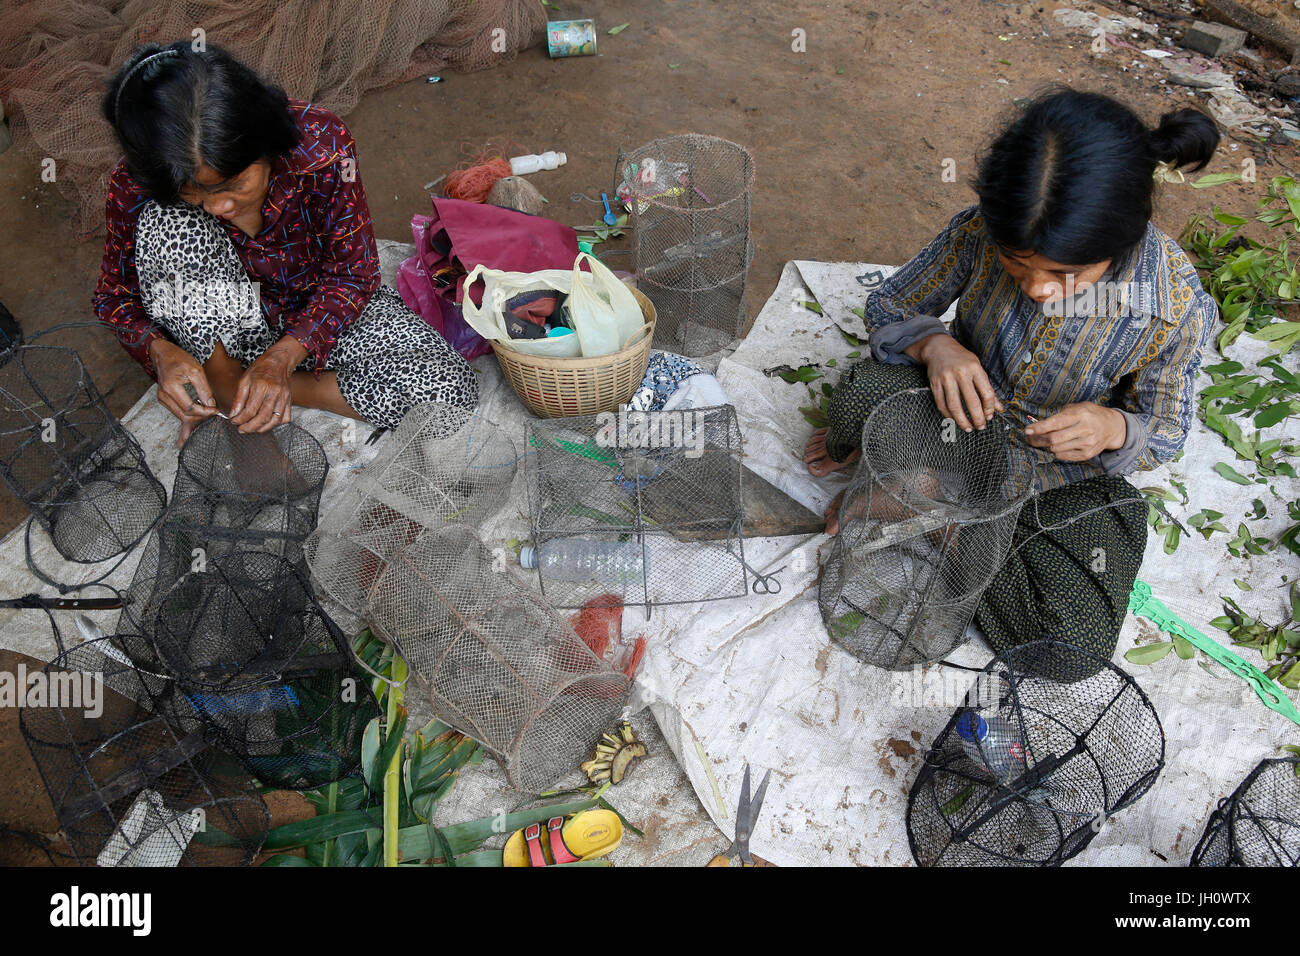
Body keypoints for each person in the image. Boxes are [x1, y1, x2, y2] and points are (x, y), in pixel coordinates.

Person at [805, 89, 1220, 666]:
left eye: (1066, 273)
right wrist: (937, 346)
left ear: (1120, 242)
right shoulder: (979, 230)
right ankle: (938, 498)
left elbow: (1168, 430)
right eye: (1015, 262)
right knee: (863, 397)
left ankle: (945, 518)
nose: (1037, 288)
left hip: (1050, 474)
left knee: (1068, 648)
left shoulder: (1172, 307)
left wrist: (1112, 427)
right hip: (954, 416)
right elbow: (892, 304)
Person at [93, 42, 479, 445]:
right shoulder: (135, 184)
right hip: (223, 331)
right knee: (167, 224)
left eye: (235, 184)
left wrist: (279, 364)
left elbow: (354, 274)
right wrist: (160, 353)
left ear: (266, 144)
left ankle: (248, 392)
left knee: (449, 396)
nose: (219, 206)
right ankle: (226, 386)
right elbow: (113, 297)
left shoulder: (322, 147)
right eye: (196, 194)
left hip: (316, 312)